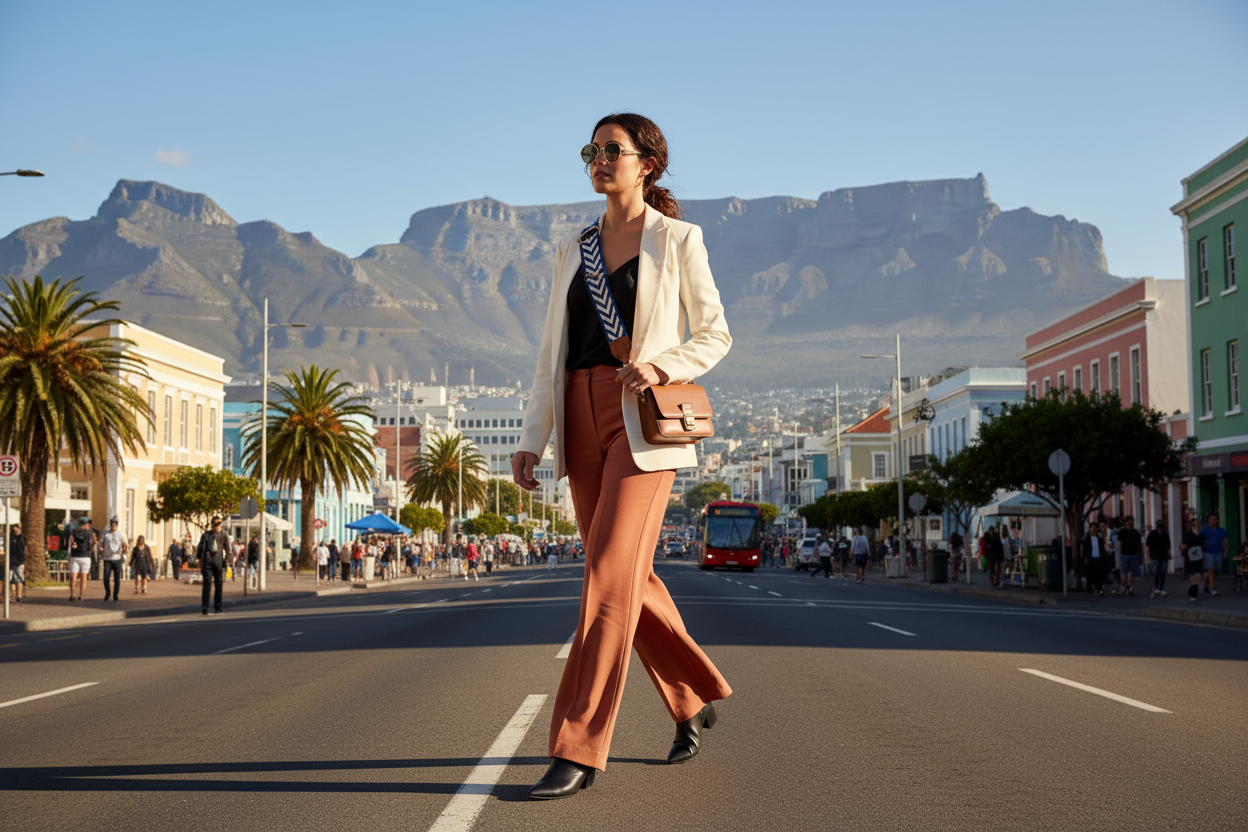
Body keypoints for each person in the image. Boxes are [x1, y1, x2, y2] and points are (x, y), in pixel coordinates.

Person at [514, 113, 732, 800]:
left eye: (614, 151)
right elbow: (552, 355)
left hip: (642, 420)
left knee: (607, 577)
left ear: (648, 163)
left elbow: (717, 334)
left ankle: (576, 746)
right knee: (628, 581)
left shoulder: (678, 240)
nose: (600, 160)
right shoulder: (572, 250)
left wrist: (663, 366)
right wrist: (531, 437)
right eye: (592, 151)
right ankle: (692, 693)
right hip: (578, 415)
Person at [198, 516, 230, 614]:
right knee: (207, 584)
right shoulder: (206, 536)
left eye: (220, 524)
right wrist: (200, 561)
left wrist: (226, 561)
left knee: (219, 584)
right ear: (212, 525)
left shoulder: (223, 536)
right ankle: (205, 606)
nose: (218, 526)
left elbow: (228, 550)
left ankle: (218, 605)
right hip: (208, 562)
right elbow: (200, 550)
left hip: (218, 562)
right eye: (216, 524)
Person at [99, 516, 127, 602]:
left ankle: (115, 594)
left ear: (117, 525)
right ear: (110, 525)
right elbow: (101, 544)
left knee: (117, 578)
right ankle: (108, 593)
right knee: (106, 578)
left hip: (117, 558)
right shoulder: (106, 534)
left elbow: (125, 545)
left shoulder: (121, 534)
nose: (113, 526)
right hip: (107, 558)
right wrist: (101, 549)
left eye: (115, 524)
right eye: (112, 524)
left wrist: (125, 549)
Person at [66, 517, 95, 602]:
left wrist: (73, 546)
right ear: (86, 524)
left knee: (73, 576)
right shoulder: (90, 533)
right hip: (86, 557)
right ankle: (81, 596)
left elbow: (70, 542)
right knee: (84, 577)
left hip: (75, 556)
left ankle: (72, 595)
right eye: (88, 524)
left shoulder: (74, 531)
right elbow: (91, 545)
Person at [1200, 514, 1227, 597]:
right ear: (1208, 521)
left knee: (1214, 570)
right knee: (1211, 570)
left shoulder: (1221, 530)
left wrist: (1225, 552)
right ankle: (1213, 588)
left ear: (1217, 520)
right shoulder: (1204, 530)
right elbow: (1199, 540)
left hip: (1218, 552)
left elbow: (1225, 542)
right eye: (1211, 519)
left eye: (1214, 519)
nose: (1212, 521)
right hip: (1208, 552)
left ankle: (1205, 583)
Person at [1117, 516, 1143, 597]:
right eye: (1128, 523)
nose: (1130, 525)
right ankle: (1125, 586)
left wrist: (1140, 555)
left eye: (1131, 523)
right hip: (1124, 554)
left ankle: (1131, 587)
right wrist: (1119, 554)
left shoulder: (1136, 533)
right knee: (1124, 571)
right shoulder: (1122, 532)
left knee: (1133, 572)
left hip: (1134, 554)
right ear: (1125, 524)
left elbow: (1139, 545)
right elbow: (1119, 544)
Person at [1181, 519, 1206, 602]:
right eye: (1195, 525)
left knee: (1198, 574)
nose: (1197, 526)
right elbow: (1184, 545)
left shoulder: (1201, 535)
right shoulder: (1188, 535)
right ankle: (1193, 591)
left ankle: (1193, 590)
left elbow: (1204, 544)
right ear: (1192, 526)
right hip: (1191, 558)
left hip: (1199, 558)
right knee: (1193, 574)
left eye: (1198, 524)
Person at [1145, 519, 1171, 599]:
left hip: (1162, 555)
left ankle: (1161, 588)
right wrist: (1148, 554)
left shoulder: (1164, 533)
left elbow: (1168, 544)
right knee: (1156, 572)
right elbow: (1148, 543)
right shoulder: (1153, 533)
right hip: (1156, 555)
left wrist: (1168, 553)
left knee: (1162, 572)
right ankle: (1156, 587)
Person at [1082, 521, 1109, 597]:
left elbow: (1102, 547)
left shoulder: (1099, 539)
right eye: (1092, 528)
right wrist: (1085, 558)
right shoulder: (1087, 539)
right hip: (1091, 558)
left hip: (1098, 558)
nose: (1094, 530)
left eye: (1095, 528)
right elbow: (1084, 549)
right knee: (1090, 574)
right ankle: (1089, 587)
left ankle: (1099, 587)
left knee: (1099, 574)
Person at [7, 523, 25, 604]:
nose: (15, 532)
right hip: (11, 561)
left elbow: (22, 549)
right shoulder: (11, 538)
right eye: (14, 530)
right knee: (10, 578)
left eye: (17, 530)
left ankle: (19, 596)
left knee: (19, 579)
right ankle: (13, 595)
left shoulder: (21, 539)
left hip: (18, 561)